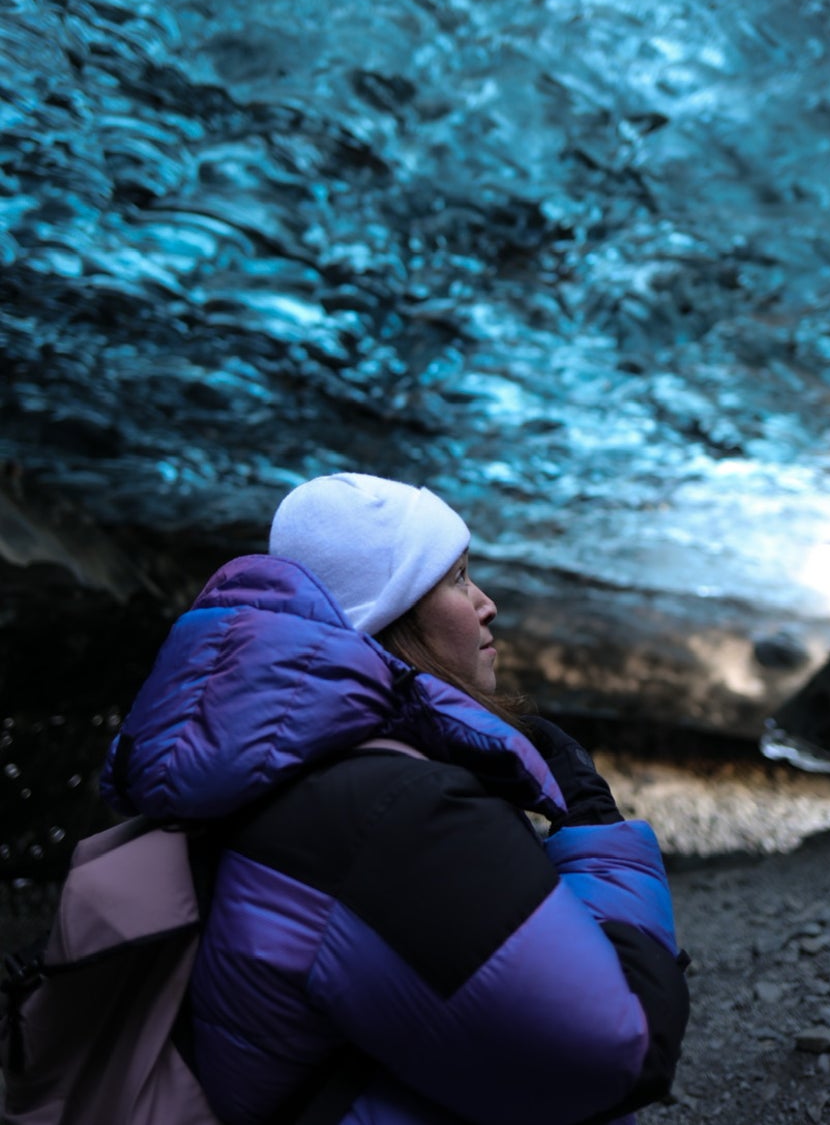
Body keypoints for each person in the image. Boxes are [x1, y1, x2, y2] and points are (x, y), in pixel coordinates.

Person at [102, 472, 690, 1125]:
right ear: (391, 612)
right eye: (457, 577)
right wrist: (590, 819)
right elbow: (625, 1047)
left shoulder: (283, 766)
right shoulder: (397, 807)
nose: (486, 602)